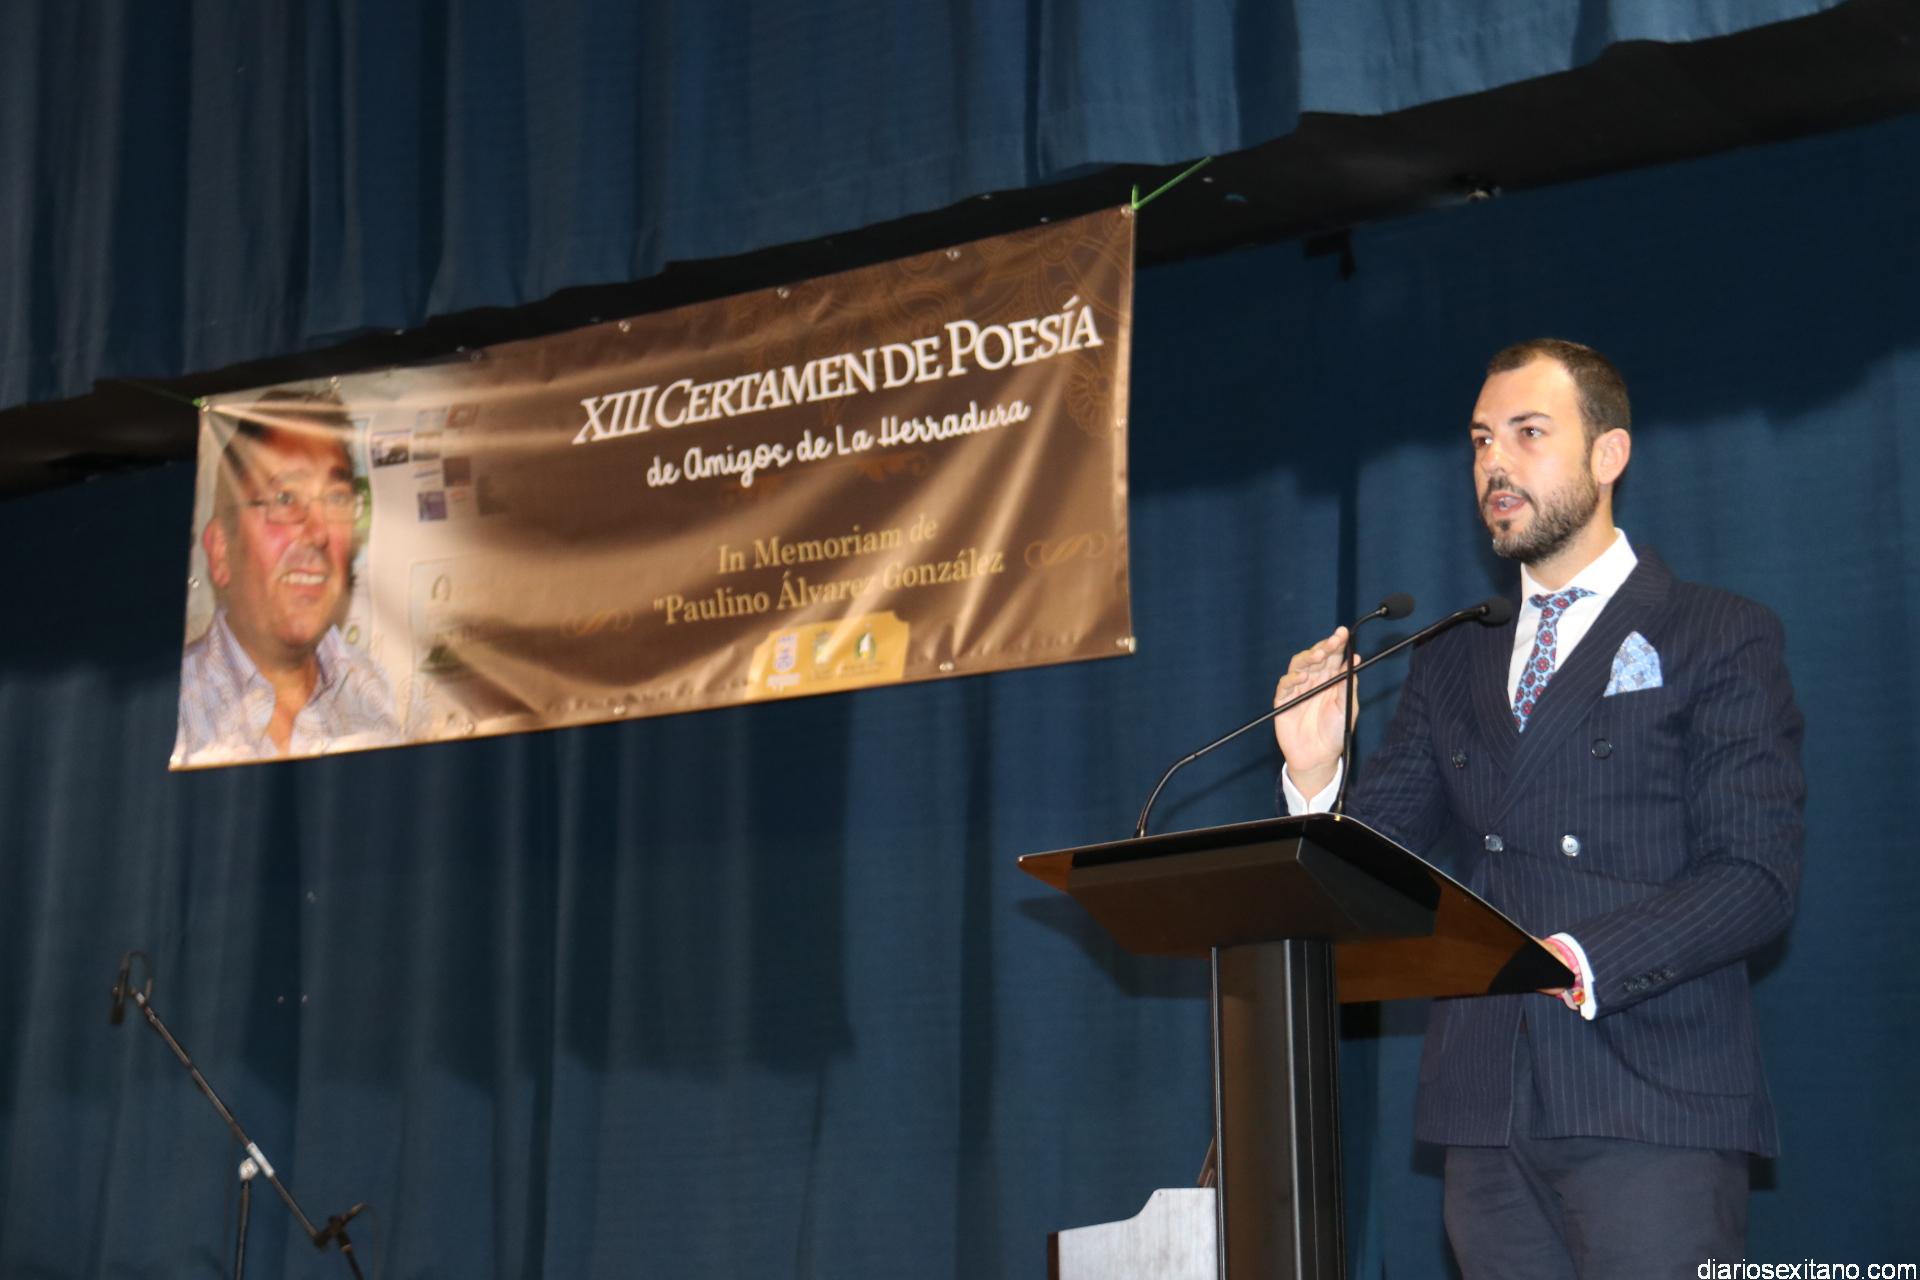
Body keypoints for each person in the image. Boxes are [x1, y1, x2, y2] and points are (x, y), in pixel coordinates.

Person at [1273, 339, 1804, 1278]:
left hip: (1652, 1097)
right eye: (1481, 440)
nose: (1495, 464)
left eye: (1527, 433)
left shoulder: (1716, 632)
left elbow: (1754, 878)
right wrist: (1315, 779)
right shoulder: (1451, 656)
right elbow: (1380, 871)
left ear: (1609, 454)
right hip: (1486, 1108)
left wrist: (1583, 958)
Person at [174, 393, 401, 764]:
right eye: (284, 498)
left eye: (337, 498)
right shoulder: (176, 702)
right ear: (221, 551)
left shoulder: (367, 689)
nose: (319, 532)